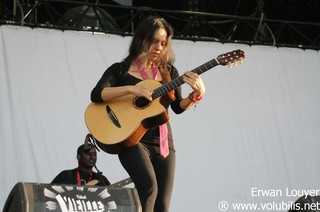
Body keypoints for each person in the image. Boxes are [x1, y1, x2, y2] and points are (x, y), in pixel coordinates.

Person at [90, 16, 205, 212]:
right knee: (149, 187)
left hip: (162, 142)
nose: (159, 47)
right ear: (141, 39)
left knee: (162, 205)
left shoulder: (169, 72)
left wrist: (195, 96)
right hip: (132, 140)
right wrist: (130, 90)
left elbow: (177, 107)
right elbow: (97, 94)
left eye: (163, 42)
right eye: (154, 41)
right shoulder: (120, 70)